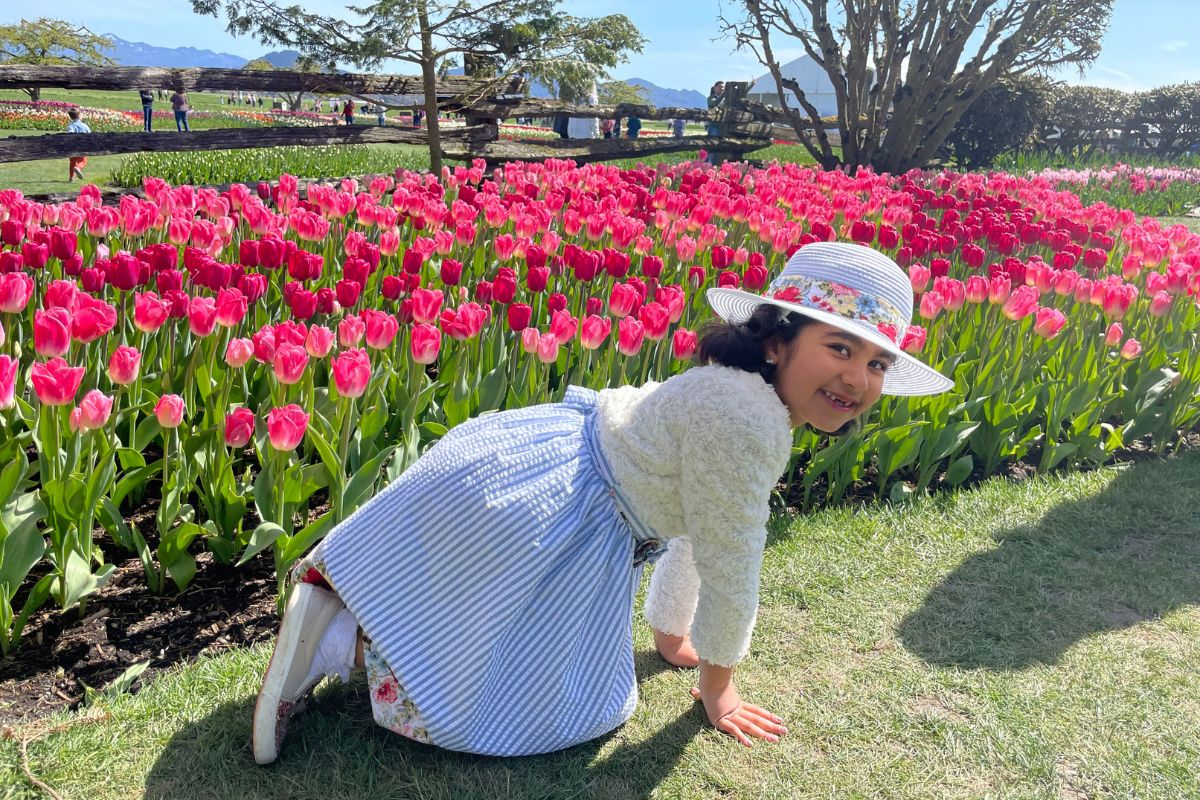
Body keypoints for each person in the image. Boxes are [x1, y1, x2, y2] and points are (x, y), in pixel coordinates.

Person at [251, 242, 954, 764]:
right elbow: (729, 559)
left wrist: (670, 635)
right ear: (776, 342)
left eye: (877, 364)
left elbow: (693, 526)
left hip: (538, 466)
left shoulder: (740, 393)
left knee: (470, 604)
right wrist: (720, 688)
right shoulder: (746, 421)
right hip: (564, 513)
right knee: (547, 699)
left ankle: (339, 620)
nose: (858, 379)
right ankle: (338, 641)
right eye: (840, 348)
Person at [65, 108, 91, 182]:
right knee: (83, 161)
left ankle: (71, 178)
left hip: (73, 147)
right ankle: (78, 168)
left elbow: (70, 134)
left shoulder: (71, 125)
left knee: (72, 162)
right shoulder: (85, 126)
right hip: (82, 147)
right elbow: (90, 135)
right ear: (79, 116)